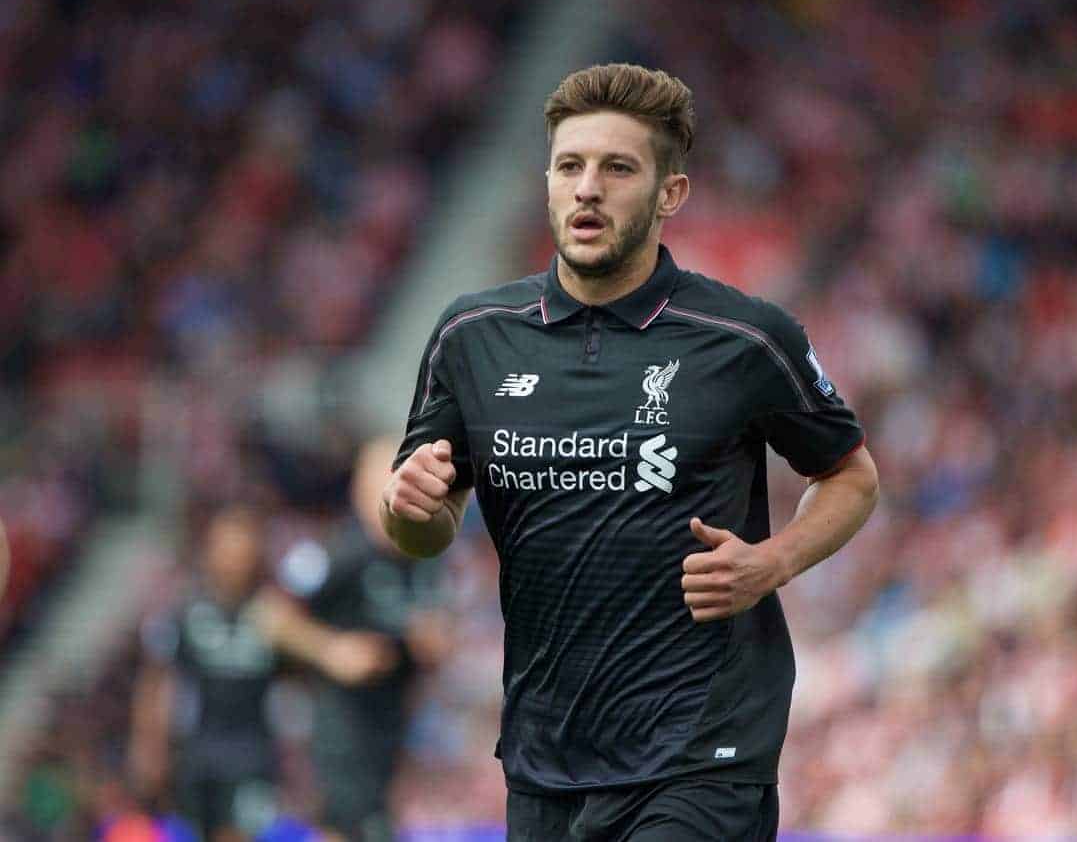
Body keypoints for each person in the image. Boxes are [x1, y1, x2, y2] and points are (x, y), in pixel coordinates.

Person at [381, 63, 880, 841]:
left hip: (702, 751)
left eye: (618, 168)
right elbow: (424, 525)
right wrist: (405, 507)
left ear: (668, 194)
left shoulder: (745, 338)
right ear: (547, 180)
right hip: (547, 756)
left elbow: (850, 476)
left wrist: (773, 562)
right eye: (571, 166)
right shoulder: (471, 336)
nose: (588, 188)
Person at [257, 438, 451, 842]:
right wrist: (330, 650)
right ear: (360, 487)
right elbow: (270, 615)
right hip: (342, 729)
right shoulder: (337, 552)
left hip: (392, 731)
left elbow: (437, 637)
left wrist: (431, 641)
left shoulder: (419, 558)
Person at [129, 505, 282, 842]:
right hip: (199, 751)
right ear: (210, 551)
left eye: (242, 549)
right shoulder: (187, 611)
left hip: (252, 753)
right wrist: (150, 745)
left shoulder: (274, 616)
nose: (234, 559)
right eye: (227, 548)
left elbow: (300, 677)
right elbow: (157, 677)